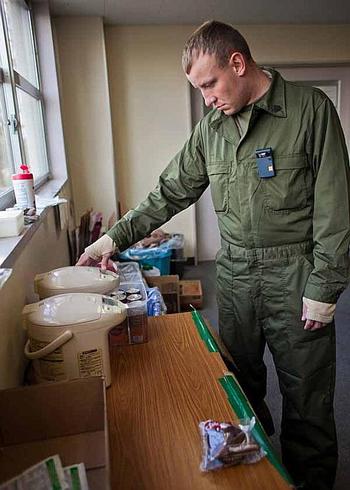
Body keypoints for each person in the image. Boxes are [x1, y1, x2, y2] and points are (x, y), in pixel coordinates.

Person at [77, 20, 350, 489]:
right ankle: (257, 470)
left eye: (209, 84)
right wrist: (109, 241)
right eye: (199, 89)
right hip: (237, 274)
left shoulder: (309, 110)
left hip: (296, 273)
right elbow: (168, 193)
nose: (207, 98)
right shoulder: (211, 131)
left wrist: (324, 286)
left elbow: (334, 206)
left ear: (238, 63)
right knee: (239, 383)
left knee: (307, 394)